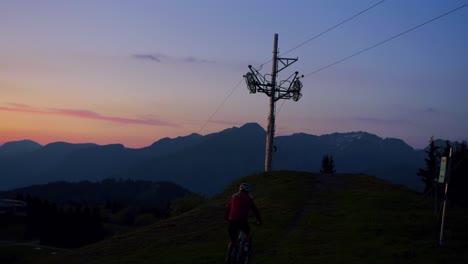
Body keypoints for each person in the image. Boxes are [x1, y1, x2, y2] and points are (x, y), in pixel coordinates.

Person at [224, 183, 262, 263]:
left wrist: (227, 218)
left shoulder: (234, 198)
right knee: (248, 234)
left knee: (233, 240)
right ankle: (247, 250)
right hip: (242, 222)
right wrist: (259, 221)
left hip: (232, 221)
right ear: (248, 192)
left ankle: (228, 258)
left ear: (239, 190)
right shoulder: (249, 200)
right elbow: (256, 211)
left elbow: (226, 208)